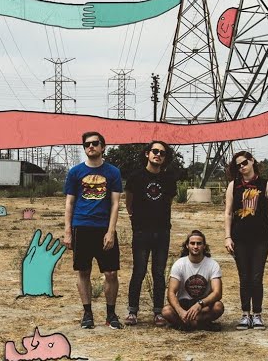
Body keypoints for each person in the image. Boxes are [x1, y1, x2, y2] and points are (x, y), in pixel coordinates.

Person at [63, 131, 123, 329]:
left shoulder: (113, 172)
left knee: (111, 273)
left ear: (103, 147)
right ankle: (87, 314)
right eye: (87, 144)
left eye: (95, 143)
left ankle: (111, 314)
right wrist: (68, 231)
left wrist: (111, 231)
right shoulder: (75, 172)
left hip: (104, 228)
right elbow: (69, 203)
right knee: (83, 271)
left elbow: (115, 203)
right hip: (81, 227)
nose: (91, 146)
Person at [123, 140, 178, 326]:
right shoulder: (135, 177)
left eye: (162, 153)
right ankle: (132, 311)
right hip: (141, 232)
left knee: (159, 273)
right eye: (155, 151)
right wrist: (136, 220)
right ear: (147, 153)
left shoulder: (169, 178)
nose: (158, 155)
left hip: (162, 232)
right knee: (139, 271)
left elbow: (168, 201)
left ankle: (158, 312)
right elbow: (129, 203)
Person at [223, 151, 268, 330]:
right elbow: (228, 213)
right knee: (244, 277)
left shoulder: (266, 184)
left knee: (256, 277)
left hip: (261, 238)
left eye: (244, 163)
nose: (242, 167)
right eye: (238, 165)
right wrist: (227, 237)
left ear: (252, 161)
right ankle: (245, 314)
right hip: (239, 238)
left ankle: (257, 315)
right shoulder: (233, 186)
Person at [162, 230, 224, 329]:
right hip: (184, 303)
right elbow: (171, 292)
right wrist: (180, 311)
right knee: (166, 311)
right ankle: (202, 324)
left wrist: (200, 304)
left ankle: (186, 325)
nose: (195, 246)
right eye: (192, 243)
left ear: (204, 246)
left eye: (199, 243)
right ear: (187, 245)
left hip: (203, 305)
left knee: (218, 307)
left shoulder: (213, 265)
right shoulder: (179, 264)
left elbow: (217, 293)